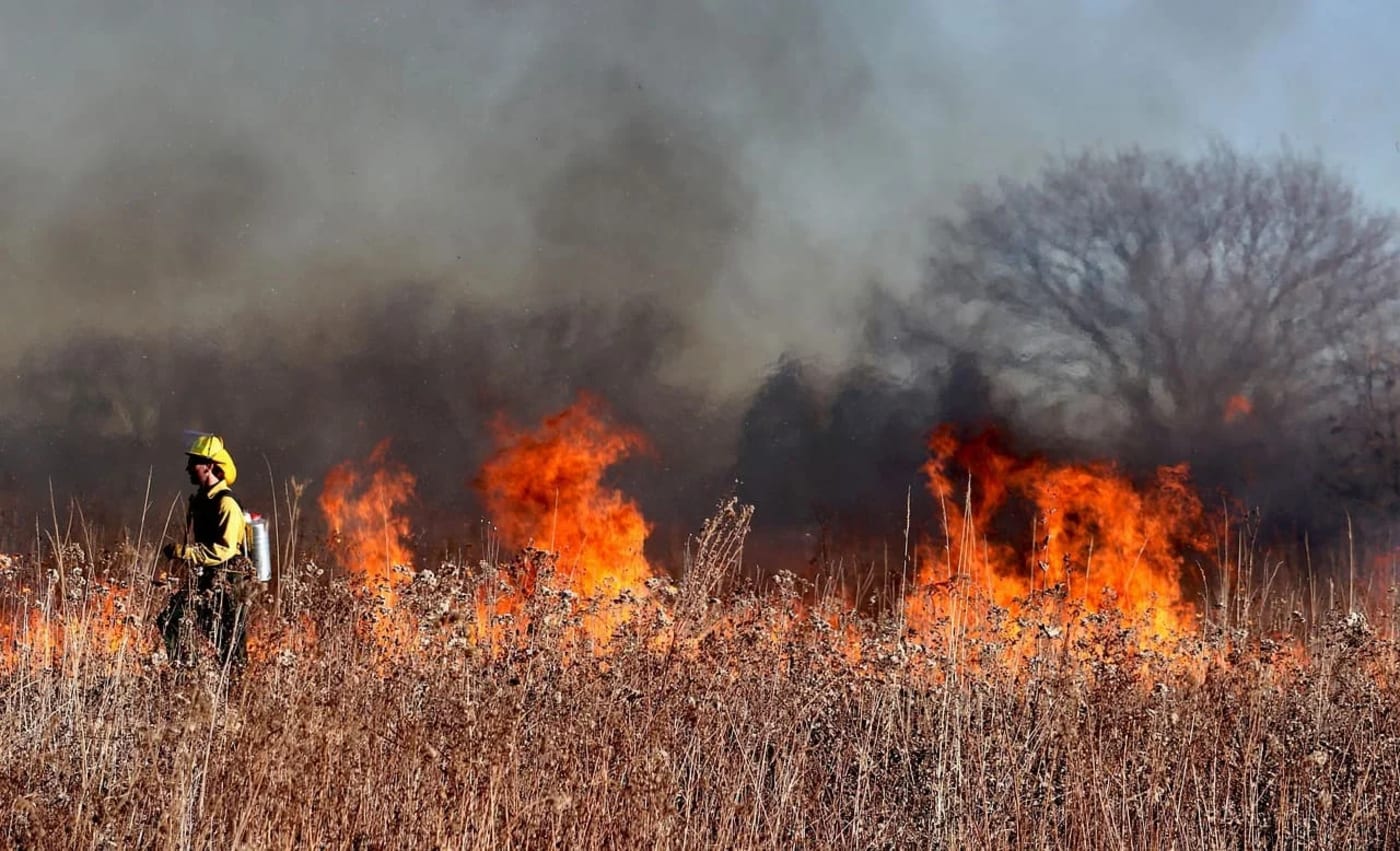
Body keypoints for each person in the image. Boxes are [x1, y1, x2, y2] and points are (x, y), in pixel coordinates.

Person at [157, 434, 251, 671]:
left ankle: (234, 689)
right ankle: (186, 673)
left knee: (230, 644)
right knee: (171, 619)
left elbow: (225, 549)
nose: (188, 468)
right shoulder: (201, 500)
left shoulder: (226, 503)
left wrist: (185, 552)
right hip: (208, 578)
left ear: (209, 466)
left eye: (194, 462)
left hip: (229, 580)